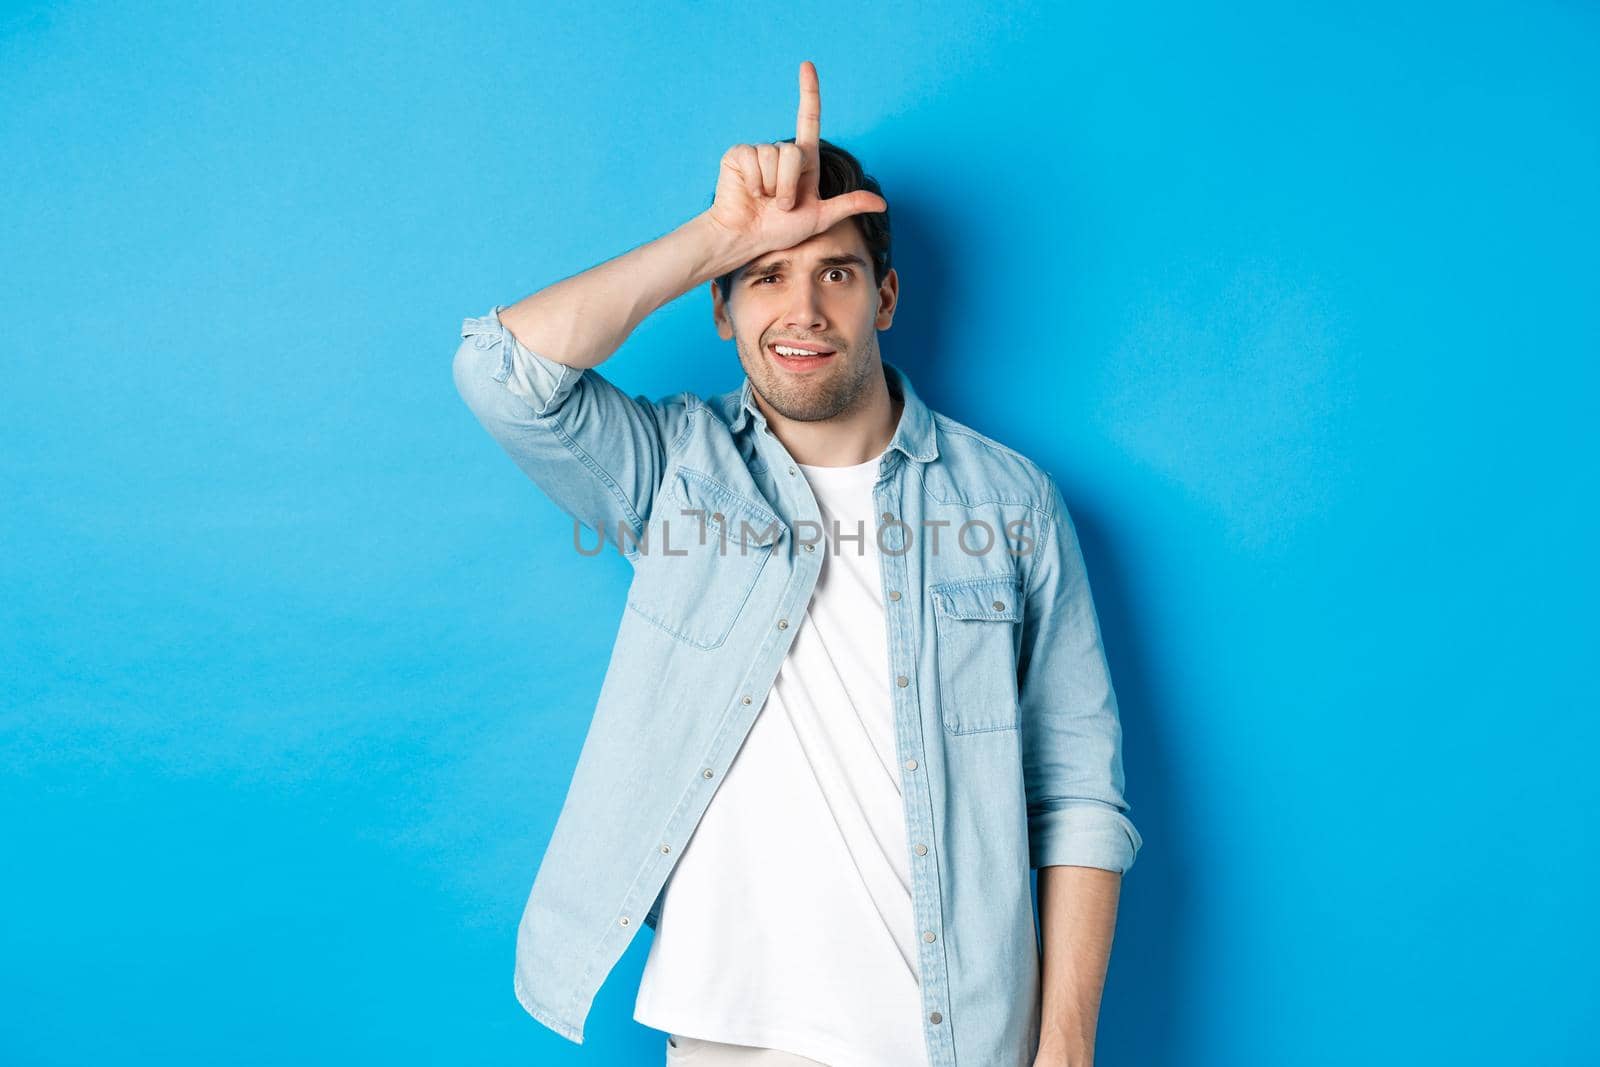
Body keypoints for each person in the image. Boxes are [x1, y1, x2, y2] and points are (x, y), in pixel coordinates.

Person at [452, 59, 1142, 1067]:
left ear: (886, 295)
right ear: (721, 309)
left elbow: (1079, 790)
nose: (803, 309)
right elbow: (501, 373)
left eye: (835, 271)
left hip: (956, 1036)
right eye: (766, 277)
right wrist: (713, 239)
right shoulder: (673, 473)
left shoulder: (1011, 502)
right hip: (733, 1038)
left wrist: (1066, 1047)